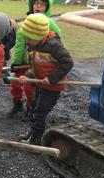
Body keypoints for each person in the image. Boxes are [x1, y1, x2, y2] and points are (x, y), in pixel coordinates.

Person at [17, 13, 73, 145]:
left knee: (40, 113)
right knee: (34, 107)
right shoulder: (34, 46)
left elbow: (68, 62)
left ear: (38, 36)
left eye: (29, 38)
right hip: (41, 85)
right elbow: (33, 67)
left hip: (53, 87)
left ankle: (36, 141)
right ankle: (32, 134)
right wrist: (28, 76)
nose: (27, 40)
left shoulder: (54, 46)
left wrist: (51, 79)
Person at [8, 0, 61, 121]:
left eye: (41, 4)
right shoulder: (27, 21)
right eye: (36, 3)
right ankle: (17, 105)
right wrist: (16, 61)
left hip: (36, 62)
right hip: (23, 61)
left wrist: (47, 55)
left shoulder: (49, 22)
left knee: (30, 88)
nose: (38, 6)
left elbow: (57, 36)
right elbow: (20, 43)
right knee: (15, 84)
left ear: (47, 7)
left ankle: (30, 109)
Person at [0, 18, 18, 85]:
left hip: (2, 53)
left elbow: (9, 45)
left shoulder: (10, 33)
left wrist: (5, 51)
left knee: (1, 68)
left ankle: (7, 80)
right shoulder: (7, 32)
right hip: (1, 53)